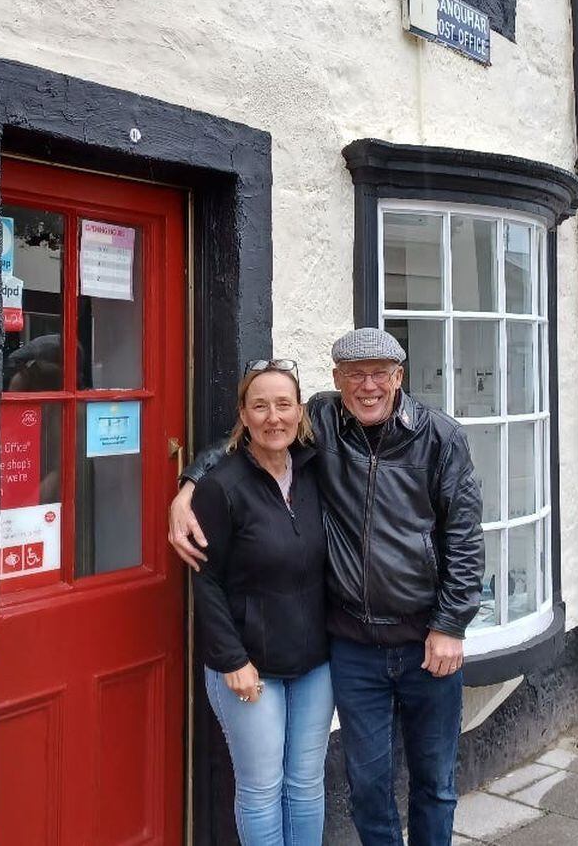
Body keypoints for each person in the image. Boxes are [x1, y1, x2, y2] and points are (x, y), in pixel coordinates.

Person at [172, 329, 484, 846]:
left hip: (428, 644)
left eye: (380, 372)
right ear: (336, 381)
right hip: (354, 647)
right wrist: (188, 486)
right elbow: (250, 436)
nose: (368, 386)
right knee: (367, 785)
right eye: (354, 374)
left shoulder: (440, 437)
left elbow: (465, 537)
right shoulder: (321, 421)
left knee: (434, 783)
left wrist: (451, 623)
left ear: (398, 377)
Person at [192, 359, 334, 845]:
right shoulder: (221, 486)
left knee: (306, 783)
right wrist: (232, 659)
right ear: (243, 415)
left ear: (300, 412)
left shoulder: (317, 472)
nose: (274, 418)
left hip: (315, 662)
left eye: (284, 405)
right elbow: (205, 581)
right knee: (261, 788)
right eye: (260, 406)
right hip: (249, 665)